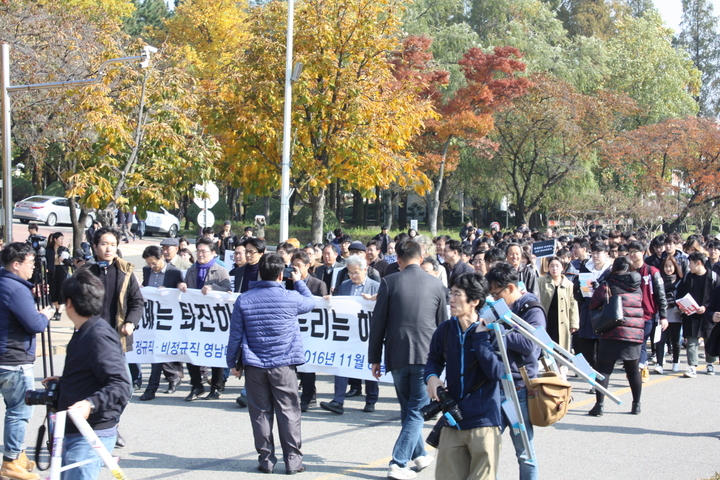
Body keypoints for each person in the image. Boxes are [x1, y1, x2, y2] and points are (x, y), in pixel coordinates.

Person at [226, 253, 316, 475]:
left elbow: (234, 335)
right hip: (284, 364)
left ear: (259, 273)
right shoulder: (290, 297)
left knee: (260, 413)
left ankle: (266, 460)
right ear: (280, 275)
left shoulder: (244, 299)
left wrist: (232, 363)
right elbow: (311, 302)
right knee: (289, 411)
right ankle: (293, 461)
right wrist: (299, 281)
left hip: (255, 364)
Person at [368, 239, 447, 480]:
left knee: (410, 409)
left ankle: (419, 454)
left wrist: (374, 359)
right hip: (427, 357)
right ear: (421, 258)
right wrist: (446, 361)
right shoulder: (436, 285)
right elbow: (444, 325)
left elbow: (378, 322)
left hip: (397, 355)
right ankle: (398, 462)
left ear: (398, 260)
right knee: (414, 411)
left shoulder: (389, 282)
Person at [46, 270, 131, 480]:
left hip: (91, 431)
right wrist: (67, 382)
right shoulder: (85, 330)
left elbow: (120, 384)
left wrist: (90, 403)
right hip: (77, 429)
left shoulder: (98, 335)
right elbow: (95, 372)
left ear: (69, 303)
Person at [425, 273, 504, 480]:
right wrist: (432, 377)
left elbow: (496, 372)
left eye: (457, 294)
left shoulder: (492, 331)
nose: (450, 299)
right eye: (450, 293)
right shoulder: (445, 329)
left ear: (475, 301)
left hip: (484, 420)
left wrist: (480, 339)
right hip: (454, 419)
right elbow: (433, 359)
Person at [485, 262, 546, 480]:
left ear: (510, 288)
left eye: (496, 293)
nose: (493, 299)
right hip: (496, 385)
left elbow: (532, 346)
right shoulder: (500, 308)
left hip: (519, 389)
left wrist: (499, 331)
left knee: (524, 451)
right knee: (487, 447)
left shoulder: (531, 308)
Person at [87, 227, 143, 449]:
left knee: (125, 387)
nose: (108, 248)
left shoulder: (126, 272)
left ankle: (111, 424)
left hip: (117, 340)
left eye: (112, 244)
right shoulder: (87, 272)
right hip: (91, 340)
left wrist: (130, 322)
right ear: (95, 246)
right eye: (103, 243)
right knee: (92, 386)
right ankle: (94, 427)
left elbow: (137, 302)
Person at [0, 243, 52, 480]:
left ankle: (18, 454)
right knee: (19, 411)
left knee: (17, 409)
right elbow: (35, 325)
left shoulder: (7, 284)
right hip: (14, 359)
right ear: (16, 264)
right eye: (30, 263)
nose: (33, 267)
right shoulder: (15, 289)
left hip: (7, 356)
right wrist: (45, 314)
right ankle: (11, 461)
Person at [320, 256, 380, 415]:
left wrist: (374, 299)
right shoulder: (345, 285)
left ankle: (371, 400)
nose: (352, 276)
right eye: (350, 273)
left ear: (365, 270)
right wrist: (330, 300)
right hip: (347, 333)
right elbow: (340, 304)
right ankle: (337, 401)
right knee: (341, 364)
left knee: (369, 367)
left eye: (356, 273)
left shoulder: (376, 286)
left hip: (368, 334)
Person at [587, 256, 645, 416]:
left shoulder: (607, 284)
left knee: (604, 369)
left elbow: (593, 304)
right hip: (633, 333)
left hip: (612, 331)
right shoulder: (637, 285)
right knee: (633, 371)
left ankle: (599, 405)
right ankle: (636, 405)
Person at [178, 237, 232, 400]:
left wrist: (213, 288)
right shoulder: (191, 270)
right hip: (195, 319)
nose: (200, 254)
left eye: (204, 251)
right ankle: (196, 384)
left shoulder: (221, 270)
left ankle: (216, 386)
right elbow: (187, 292)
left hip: (214, 319)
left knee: (215, 352)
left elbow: (228, 289)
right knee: (190, 350)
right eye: (198, 250)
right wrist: (182, 286)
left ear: (213, 253)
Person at [138, 246, 184, 401]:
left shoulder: (174, 272)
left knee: (161, 353)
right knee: (155, 353)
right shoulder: (146, 271)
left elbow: (182, 293)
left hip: (169, 319)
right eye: (149, 263)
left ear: (161, 258)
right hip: (151, 318)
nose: (152, 266)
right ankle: (166, 381)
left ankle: (161, 383)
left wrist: (170, 290)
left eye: (154, 263)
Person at [677, 252, 719, 377]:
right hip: (691, 314)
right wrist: (682, 307)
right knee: (691, 341)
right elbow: (680, 294)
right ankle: (692, 366)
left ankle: (710, 363)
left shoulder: (713, 277)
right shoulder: (687, 278)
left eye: (690, 263)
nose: (689, 266)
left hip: (708, 315)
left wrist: (706, 307)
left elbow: (716, 297)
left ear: (698, 263)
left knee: (709, 339)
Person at [538, 256, 579, 352]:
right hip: (546, 318)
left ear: (562, 268)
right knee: (545, 345)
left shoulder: (569, 284)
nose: (554, 269)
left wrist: (574, 323)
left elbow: (573, 304)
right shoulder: (541, 281)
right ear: (548, 268)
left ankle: (560, 366)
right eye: (552, 266)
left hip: (562, 320)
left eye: (557, 266)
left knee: (560, 347)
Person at [656, 255, 683, 374]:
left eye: (671, 266)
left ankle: (676, 362)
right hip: (662, 313)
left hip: (676, 313)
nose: (668, 269)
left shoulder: (680, 281)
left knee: (675, 340)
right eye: (666, 266)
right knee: (660, 340)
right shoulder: (659, 280)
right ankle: (659, 363)